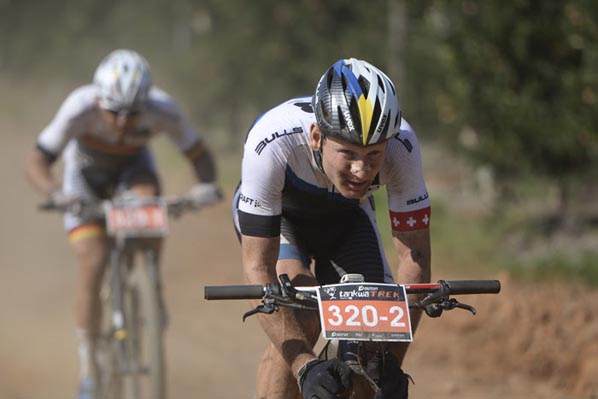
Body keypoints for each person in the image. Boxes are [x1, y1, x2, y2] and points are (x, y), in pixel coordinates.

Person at [24, 49, 222, 399]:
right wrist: (54, 193)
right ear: (99, 99)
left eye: (133, 113)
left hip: (134, 171)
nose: (122, 122)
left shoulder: (163, 109)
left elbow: (199, 154)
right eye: (114, 112)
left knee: (150, 205)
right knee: (93, 259)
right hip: (83, 178)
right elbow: (38, 160)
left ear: (147, 103)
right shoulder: (79, 107)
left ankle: (150, 283)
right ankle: (88, 368)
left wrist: (204, 186)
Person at [232, 58, 431, 399]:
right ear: (316, 136)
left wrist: (391, 363)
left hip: (345, 219)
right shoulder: (271, 142)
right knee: (302, 313)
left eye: (373, 155)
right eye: (348, 152)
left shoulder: (402, 146)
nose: (361, 169)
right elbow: (257, 267)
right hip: (283, 219)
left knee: (374, 333)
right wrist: (304, 367)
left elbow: (415, 256)